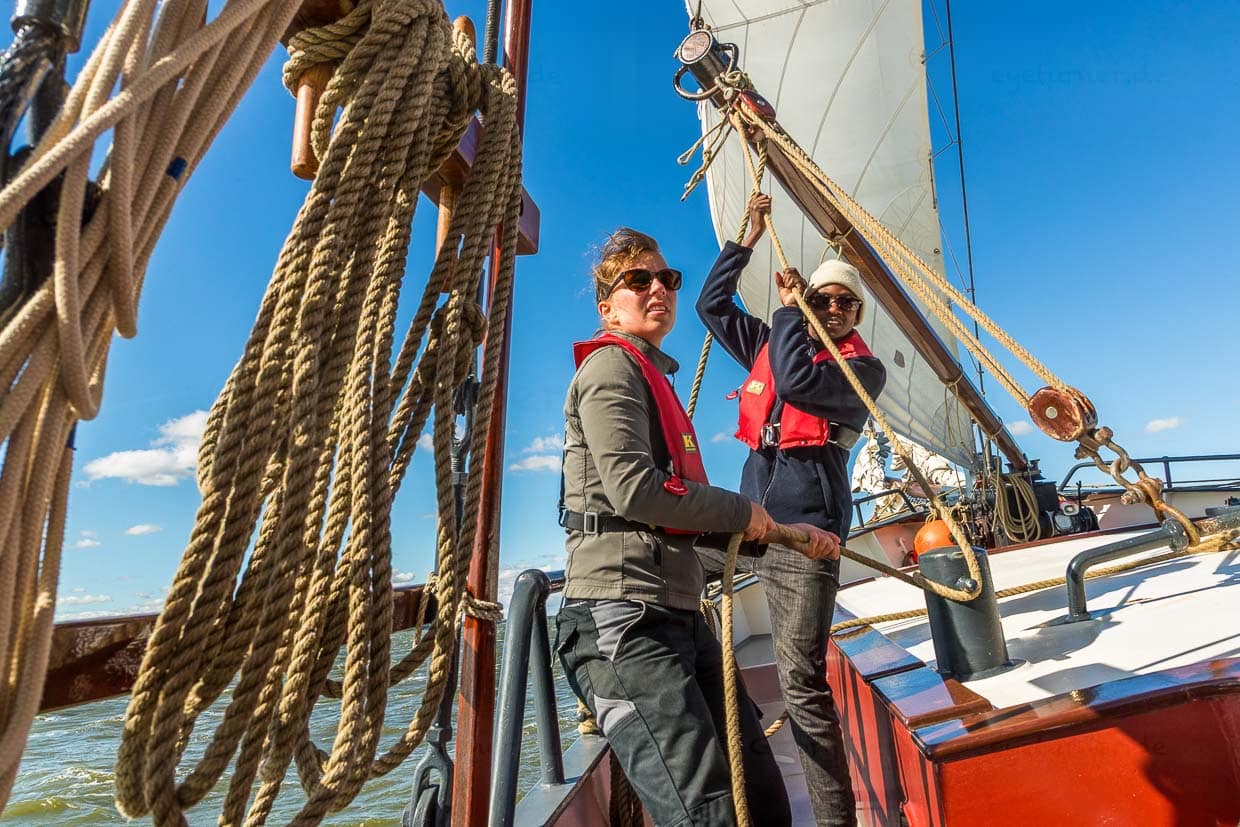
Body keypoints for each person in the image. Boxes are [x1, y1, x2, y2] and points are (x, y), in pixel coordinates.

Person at [555, 226, 841, 826]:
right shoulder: (611, 369)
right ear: (607, 305)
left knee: (758, 783)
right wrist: (743, 513)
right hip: (623, 618)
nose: (658, 287)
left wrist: (786, 534)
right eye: (639, 280)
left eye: (667, 278)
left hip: (675, 610)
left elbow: (680, 511)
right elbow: (635, 490)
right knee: (706, 809)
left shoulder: (652, 375)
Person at [696, 193, 887, 826]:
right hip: (755, 523)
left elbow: (800, 383)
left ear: (857, 314)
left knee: (800, 683)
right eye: (822, 298)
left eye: (844, 302)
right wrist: (746, 239)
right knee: (668, 549)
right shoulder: (777, 341)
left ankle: (837, 822)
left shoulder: (863, 370)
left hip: (808, 537)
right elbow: (710, 306)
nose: (832, 308)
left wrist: (788, 314)